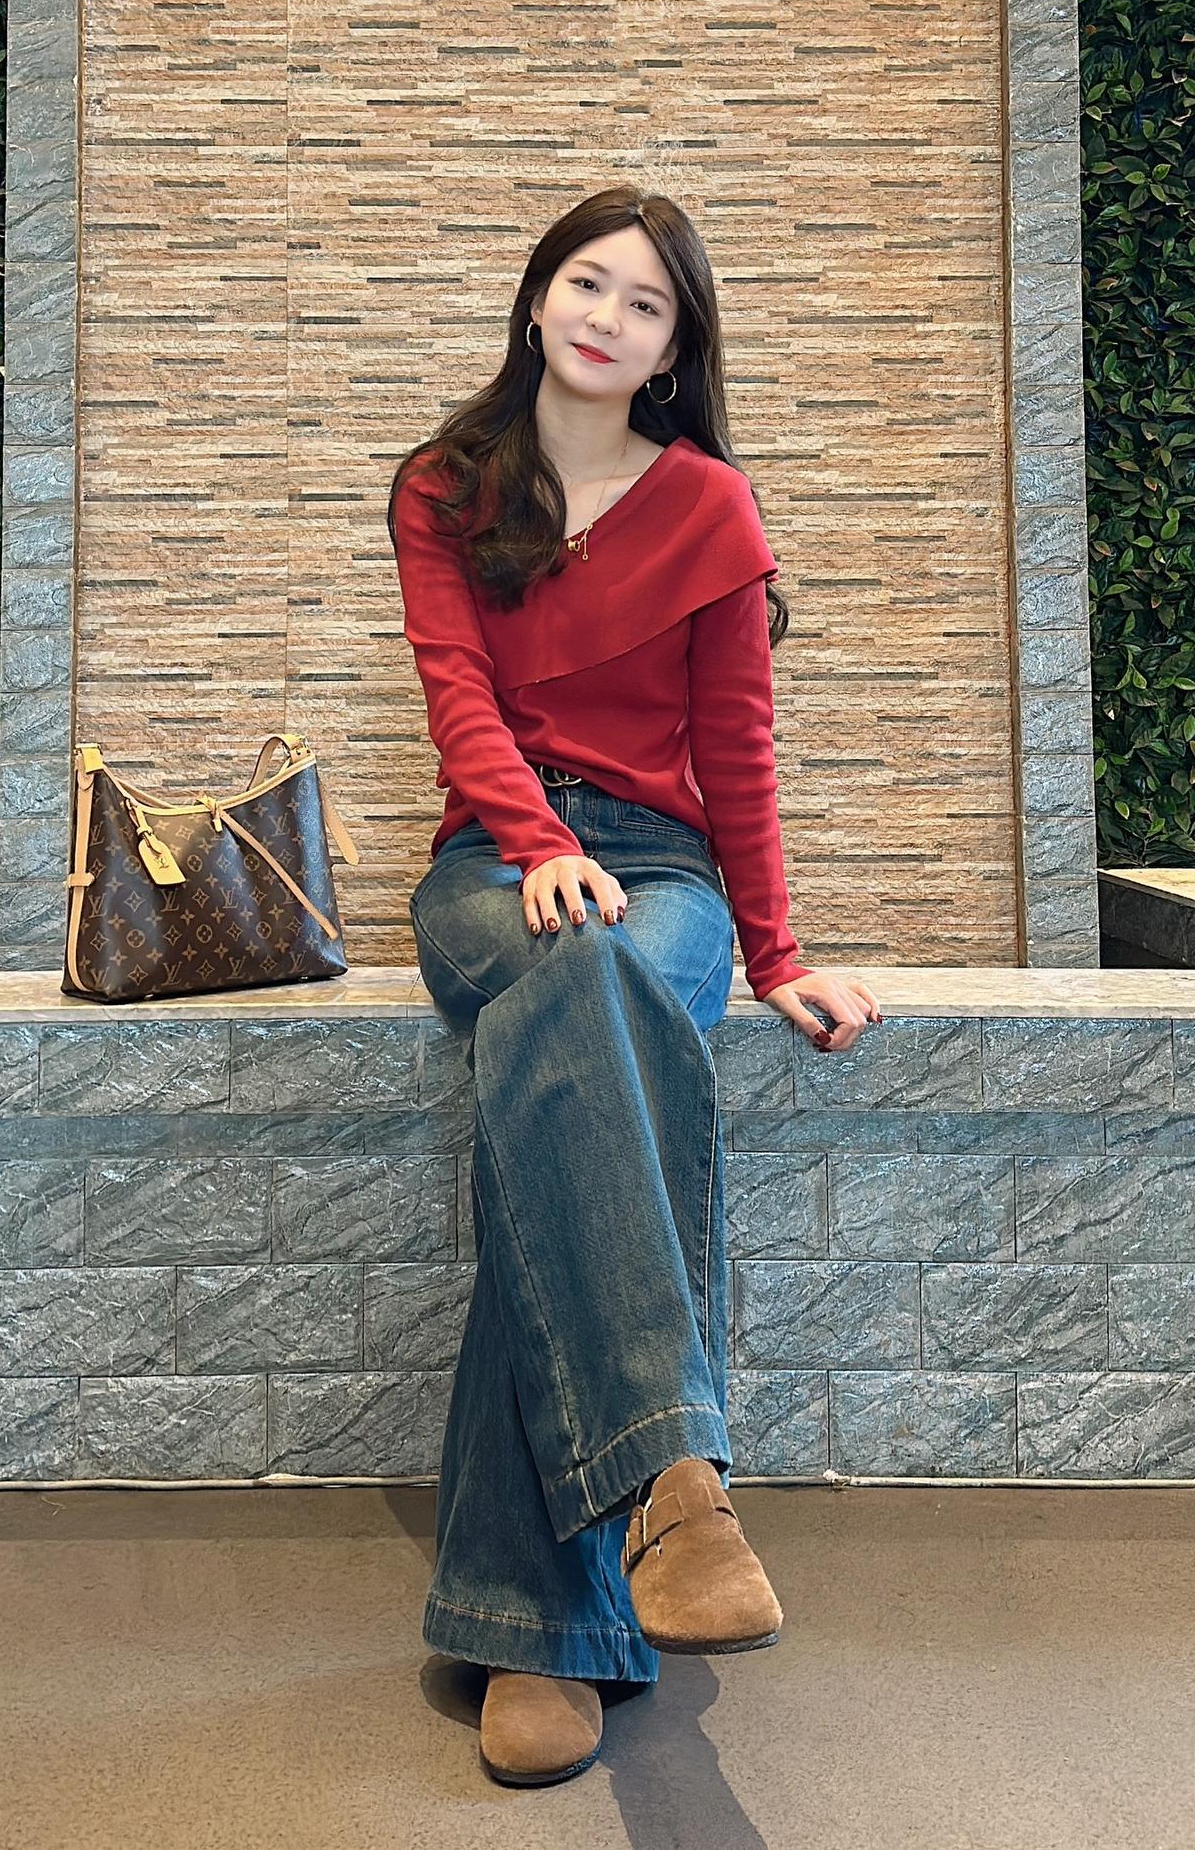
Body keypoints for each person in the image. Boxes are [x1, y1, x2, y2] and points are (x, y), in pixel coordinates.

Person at [387, 185, 881, 1790]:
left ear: (675, 348)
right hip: (490, 863)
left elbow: (736, 747)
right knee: (567, 963)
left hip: (661, 871)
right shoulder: (447, 486)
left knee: (578, 1021)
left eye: (647, 302)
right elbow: (458, 695)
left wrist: (776, 953)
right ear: (538, 300)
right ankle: (676, 1481)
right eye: (588, 283)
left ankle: (537, 1622)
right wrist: (535, 841)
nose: (609, 316)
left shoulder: (711, 509)